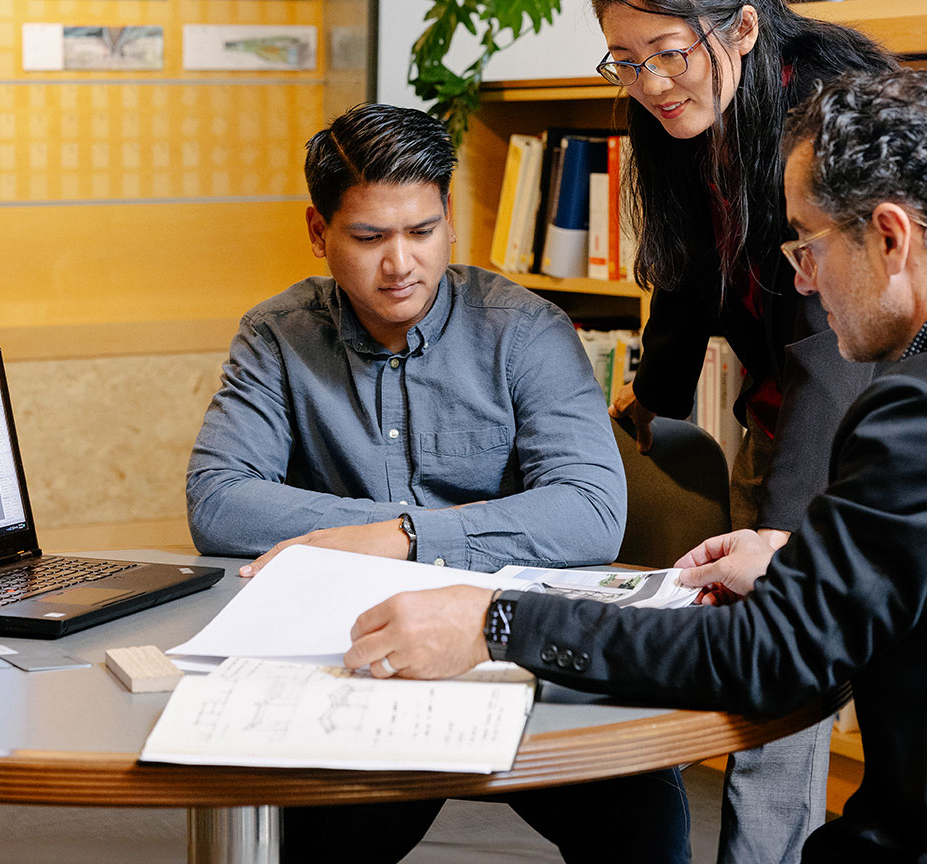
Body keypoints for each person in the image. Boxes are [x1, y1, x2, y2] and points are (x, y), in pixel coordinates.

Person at [345, 70, 927, 864]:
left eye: (808, 243)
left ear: (892, 236)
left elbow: (767, 661)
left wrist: (496, 621)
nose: (800, 278)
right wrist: (804, 564)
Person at [187, 102, 688, 864]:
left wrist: (401, 536)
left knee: (641, 817)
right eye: (368, 237)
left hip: (516, 653)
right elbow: (219, 500)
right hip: (359, 658)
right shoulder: (278, 335)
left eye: (422, 231)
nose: (401, 263)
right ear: (320, 233)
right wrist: (451, 526)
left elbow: (590, 512)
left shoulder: (524, 330)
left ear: (448, 219)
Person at [595, 0, 896, 862]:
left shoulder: (832, 121)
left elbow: (830, 343)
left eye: (669, 53)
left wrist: (789, 534)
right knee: (776, 669)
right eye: (624, 60)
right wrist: (656, 401)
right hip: (790, 396)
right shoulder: (687, 112)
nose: (649, 84)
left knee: (800, 632)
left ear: (744, 29)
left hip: (897, 403)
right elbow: (685, 265)